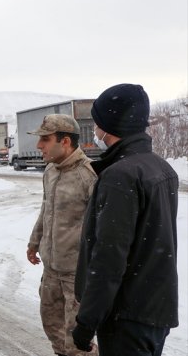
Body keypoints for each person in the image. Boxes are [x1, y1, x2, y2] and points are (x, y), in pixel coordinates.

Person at [72, 84, 179, 355]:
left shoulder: (120, 175)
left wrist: (87, 321)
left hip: (127, 316)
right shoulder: (160, 167)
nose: (95, 129)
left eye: (97, 122)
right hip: (155, 308)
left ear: (109, 123)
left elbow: (109, 257)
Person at [26, 114, 98, 356]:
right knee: (51, 326)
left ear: (65, 141)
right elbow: (46, 209)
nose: (39, 146)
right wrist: (34, 242)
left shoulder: (88, 175)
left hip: (75, 275)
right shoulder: (50, 171)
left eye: (45, 140)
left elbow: (100, 229)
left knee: (77, 340)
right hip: (51, 269)